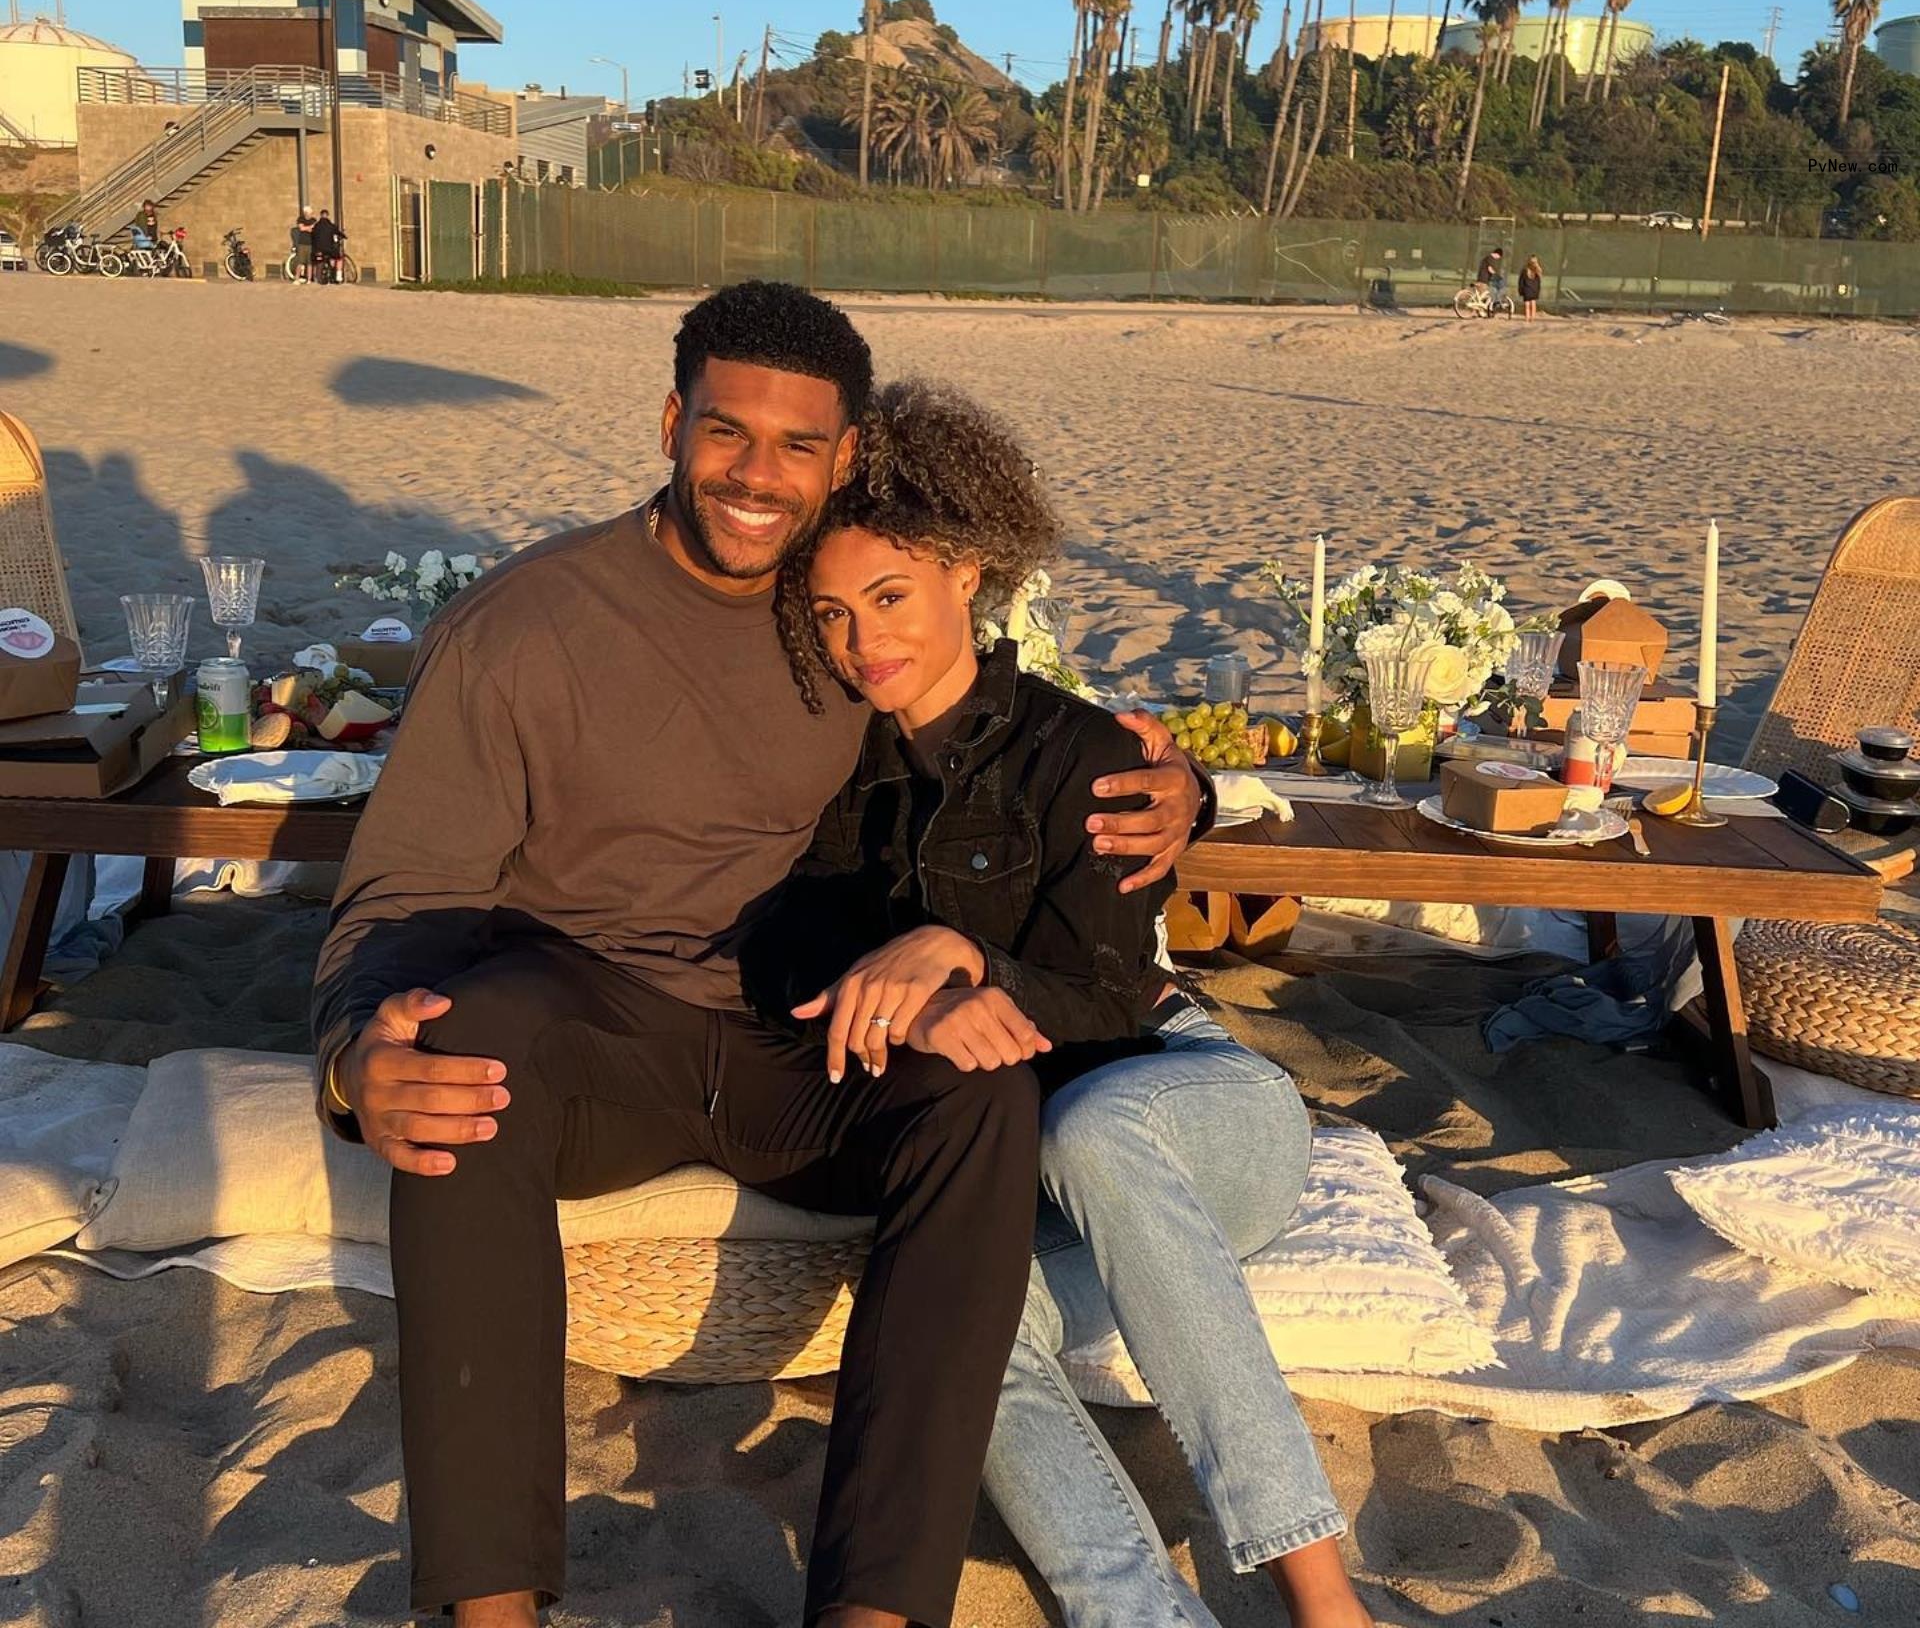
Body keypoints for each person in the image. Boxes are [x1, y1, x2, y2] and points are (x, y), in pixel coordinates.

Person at [310, 280, 1206, 1628]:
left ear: (848, 459)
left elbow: (1005, 746)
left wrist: (1176, 787)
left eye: (800, 447)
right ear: (674, 423)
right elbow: (404, 889)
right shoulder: (525, 627)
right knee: (459, 1053)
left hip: (808, 1029)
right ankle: (490, 1609)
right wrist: (348, 1063)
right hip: (600, 1024)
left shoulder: (849, 606)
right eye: (728, 434)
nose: (757, 477)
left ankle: (874, 1608)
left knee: (979, 1096)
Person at [757, 381, 1372, 1628]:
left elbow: (1100, 994)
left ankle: (1321, 1593)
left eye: (890, 599)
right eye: (832, 615)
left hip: (1189, 1110)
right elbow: (796, 938)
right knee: (970, 1345)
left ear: (967, 575)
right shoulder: (839, 776)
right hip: (1031, 1184)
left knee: (1093, 1127)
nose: (865, 641)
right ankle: (1142, 1614)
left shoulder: (1081, 753)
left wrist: (950, 954)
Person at [311, 206, 344, 284]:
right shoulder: (331, 225)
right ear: (327, 215)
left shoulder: (316, 226)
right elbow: (338, 232)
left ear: (321, 215)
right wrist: (344, 236)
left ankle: (315, 277)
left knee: (315, 260)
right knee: (339, 258)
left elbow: (312, 235)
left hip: (318, 248)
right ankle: (338, 276)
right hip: (329, 248)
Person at [291, 204, 316, 283]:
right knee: (300, 262)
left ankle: (309, 279)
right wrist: (309, 227)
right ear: (305, 213)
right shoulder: (300, 219)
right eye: (308, 213)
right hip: (302, 243)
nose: (310, 214)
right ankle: (297, 279)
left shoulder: (313, 220)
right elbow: (301, 228)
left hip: (310, 243)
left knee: (309, 263)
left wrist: (307, 228)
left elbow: (313, 230)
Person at [1518, 253, 1544, 318]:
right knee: (1532, 303)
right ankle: (1532, 317)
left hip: (1527, 289)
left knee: (1527, 304)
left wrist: (1520, 290)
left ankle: (1527, 318)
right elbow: (1540, 279)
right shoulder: (1537, 270)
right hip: (1533, 289)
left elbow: (1521, 281)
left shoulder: (1525, 270)